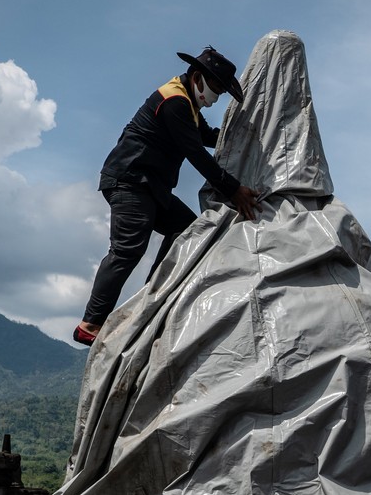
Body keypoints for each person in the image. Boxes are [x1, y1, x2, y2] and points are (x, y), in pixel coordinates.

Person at [73, 46, 260, 346]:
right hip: (131, 180)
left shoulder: (188, 106)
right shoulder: (174, 102)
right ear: (197, 77)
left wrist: (243, 134)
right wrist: (234, 190)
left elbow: (208, 137)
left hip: (152, 186)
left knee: (186, 231)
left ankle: (152, 297)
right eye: (215, 89)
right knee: (128, 249)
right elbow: (196, 153)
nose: (215, 97)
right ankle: (90, 324)